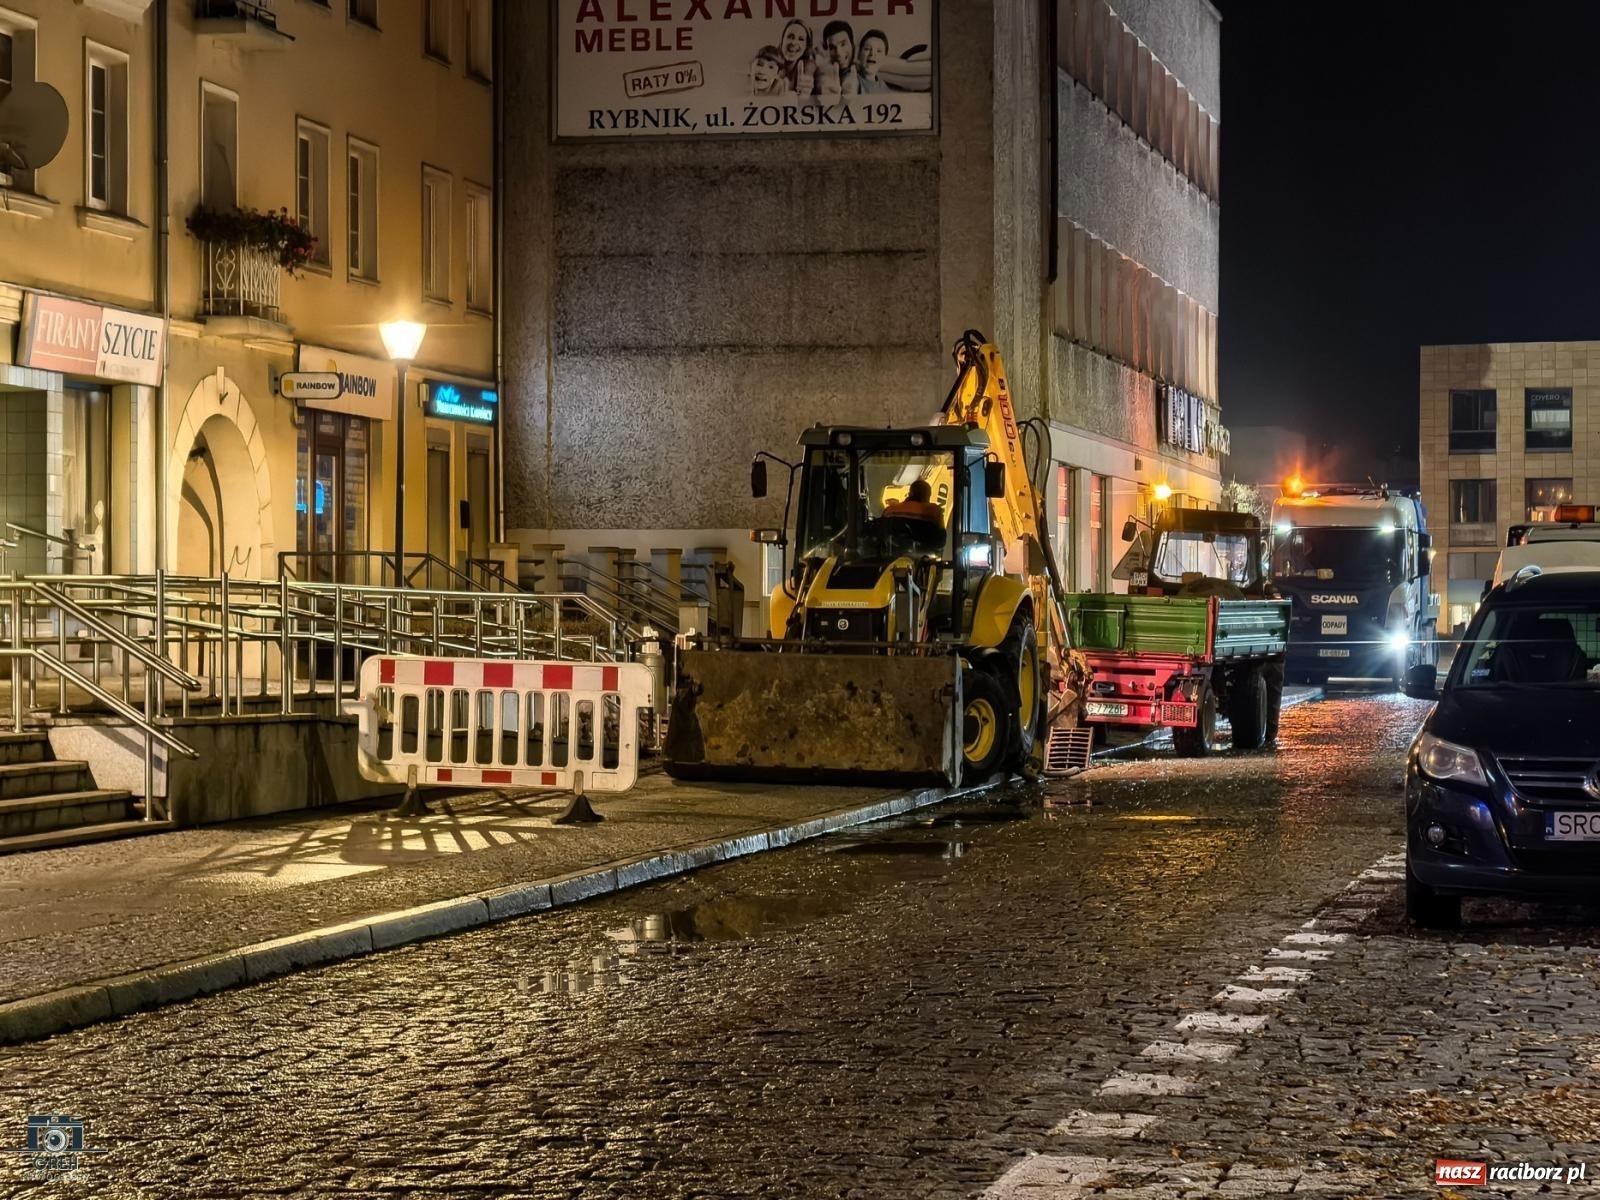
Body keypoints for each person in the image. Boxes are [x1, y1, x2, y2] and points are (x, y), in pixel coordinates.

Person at [775, 18, 813, 94]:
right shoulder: (768, 62)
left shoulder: (809, 67)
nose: (794, 43)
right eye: (790, 37)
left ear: (806, 47)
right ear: (782, 40)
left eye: (801, 39)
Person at [855, 29, 891, 93]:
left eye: (878, 51)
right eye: (867, 49)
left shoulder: (883, 87)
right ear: (859, 54)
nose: (872, 54)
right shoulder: (853, 80)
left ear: (884, 60)